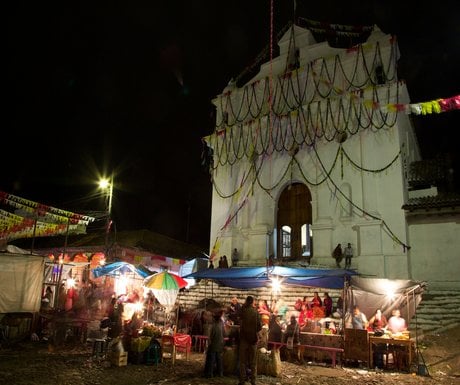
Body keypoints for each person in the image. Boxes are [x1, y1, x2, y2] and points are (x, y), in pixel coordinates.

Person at [238, 295, 261, 385]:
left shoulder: (243, 311)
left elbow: (240, 323)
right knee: (253, 362)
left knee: (242, 362)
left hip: (244, 340)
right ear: (252, 302)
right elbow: (259, 327)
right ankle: (253, 381)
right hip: (253, 340)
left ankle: (242, 380)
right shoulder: (255, 313)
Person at [203, 309, 225, 378]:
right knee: (219, 359)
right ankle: (220, 373)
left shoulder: (213, 326)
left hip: (214, 345)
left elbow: (210, 336)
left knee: (211, 359)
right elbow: (224, 333)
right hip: (220, 344)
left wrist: (209, 344)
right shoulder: (221, 324)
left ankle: (210, 373)